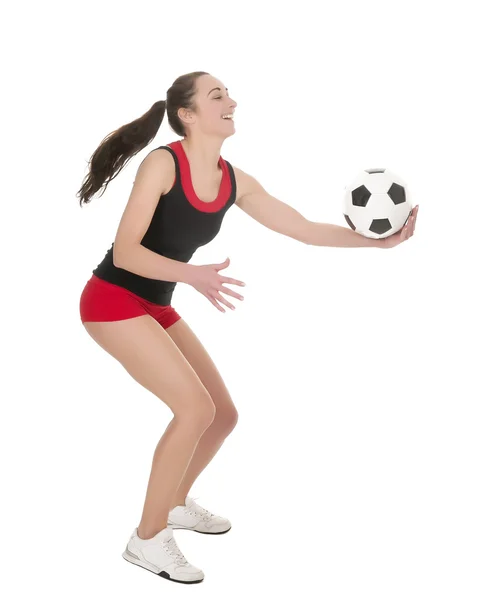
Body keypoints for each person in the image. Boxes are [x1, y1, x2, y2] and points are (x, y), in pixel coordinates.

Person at [76, 71, 419, 585]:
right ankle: (146, 540)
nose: (232, 100)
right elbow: (126, 251)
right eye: (218, 95)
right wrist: (190, 274)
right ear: (187, 115)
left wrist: (377, 244)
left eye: (229, 94)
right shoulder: (162, 164)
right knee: (193, 409)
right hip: (111, 300)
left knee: (222, 416)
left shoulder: (234, 179)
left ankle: (171, 505)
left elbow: (301, 228)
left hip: (155, 304)